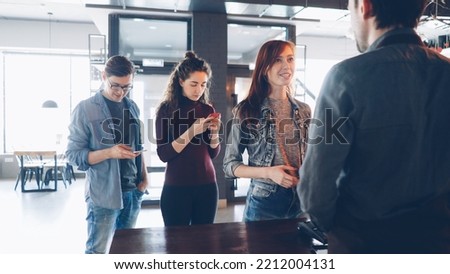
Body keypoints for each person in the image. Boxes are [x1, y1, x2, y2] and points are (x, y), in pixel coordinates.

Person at [298, 0, 450, 253]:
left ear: (364, 5)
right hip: (438, 242)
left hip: (364, 241)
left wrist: (336, 228)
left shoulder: (345, 77)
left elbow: (315, 186)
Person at [66, 55, 148, 254]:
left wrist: (144, 179)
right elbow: (73, 155)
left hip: (133, 191)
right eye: (116, 86)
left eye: (127, 87)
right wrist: (110, 152)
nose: (121, 92)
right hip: (103, 195)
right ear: (103, 76)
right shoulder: (85, 109)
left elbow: (138, 146)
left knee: (126, 251)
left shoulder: (132, 107)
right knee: (98, 252)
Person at [223, 40, 311, 222]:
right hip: (264, 204)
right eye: (277, 60)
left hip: (301, 202)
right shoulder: (246, 110)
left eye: (290, 59)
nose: (286, 66)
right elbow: (230, 166)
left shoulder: (304, 110)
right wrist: (269, 172)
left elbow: (310, 155)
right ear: (264, 68)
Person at [155, 51, 221, 226]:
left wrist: (214, 133)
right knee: (177, 246)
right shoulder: (166, 110)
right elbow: (163, 154)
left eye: (203, 85)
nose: (199, 90)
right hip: (176, 188)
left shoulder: (207, 109)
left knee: (204, 244)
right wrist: (191, 132)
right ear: (181, 81)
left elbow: (213, 153)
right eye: (194, 84)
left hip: (207, 186)